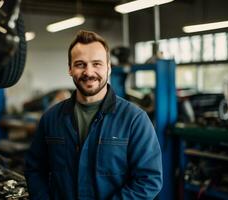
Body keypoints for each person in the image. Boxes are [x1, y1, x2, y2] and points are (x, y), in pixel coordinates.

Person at [24, 30, 163, 200]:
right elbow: (35, 169)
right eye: (80, 64)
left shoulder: (134, 120)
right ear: (69, 69)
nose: (89, 73)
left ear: (109, 68)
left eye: (97, 64)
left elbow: (149, 180)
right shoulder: (51, 118)